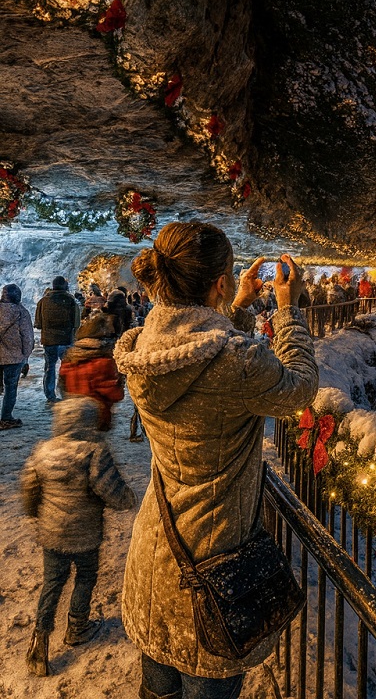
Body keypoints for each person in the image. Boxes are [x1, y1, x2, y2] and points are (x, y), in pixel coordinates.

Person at [114, 221, 318, 698]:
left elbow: (205, 351)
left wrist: (237, 308)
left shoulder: (144, 347)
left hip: (157, 553)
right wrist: (288, 311)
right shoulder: (237, 363)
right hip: (214, 569)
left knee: (157, 689)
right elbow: (300, 388)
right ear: (221, 282)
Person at [20, 396, 137, 676]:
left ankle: (40, 639)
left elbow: (29, 489)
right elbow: (110, 489)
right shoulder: (93, 451)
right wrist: (128, 499)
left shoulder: (42, 451)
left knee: (52, 583)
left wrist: (37, 514)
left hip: (52, 533)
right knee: (85, 577)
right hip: (85, 534)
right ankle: (77, 627)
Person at [59, 313, 125, 432]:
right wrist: (120, 382)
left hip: (70, 416)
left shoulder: (69, 358)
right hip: (97, 419)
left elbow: (62, 386)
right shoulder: (104, 362)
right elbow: (115, 394)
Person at [34, 276, 81, 403]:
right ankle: (67, 391)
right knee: (67, 367)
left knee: (49, 367)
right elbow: (77, 323)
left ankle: (50, 395)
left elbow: (38, 324)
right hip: (66, 339)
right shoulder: (71, 300)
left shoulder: (43, 301)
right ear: (64, 286)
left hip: (49, 341)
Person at [0, 283, 34, 429]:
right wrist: (25, 355)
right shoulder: (21, 312)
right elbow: (27, 337)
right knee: (10, 388)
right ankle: (6, 418)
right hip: (13, 357)